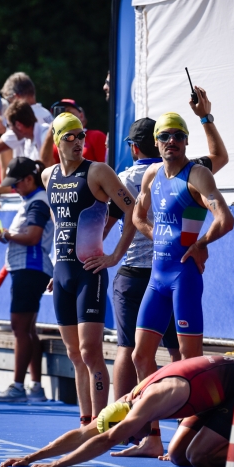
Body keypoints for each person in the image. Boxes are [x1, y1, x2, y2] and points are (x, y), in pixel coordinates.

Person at [105, 86, 229, 403]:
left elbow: (225, 219)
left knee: (189, 361)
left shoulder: (197, 174)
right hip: (156, 279)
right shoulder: (151, 174)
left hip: (183, 276)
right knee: (139, 356)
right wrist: (157, 236)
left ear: (186, 141)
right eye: (165, 136)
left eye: (178, 136)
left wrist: (201, 244)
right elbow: (137, 216)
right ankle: (153, 426)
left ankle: (193, 423)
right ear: (156, 142)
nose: (171, 141)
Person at [0, 356, 234, 467]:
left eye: (132, 434)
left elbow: (107, 440)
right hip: (217, 393)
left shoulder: (151, 402)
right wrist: (32, 456)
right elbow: (86, 433)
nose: (134, 439)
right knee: (178, 456)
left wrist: (57, 465)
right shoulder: (128, 402)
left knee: (198, 456)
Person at [42, 112, 137, 426]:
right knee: (73, 353)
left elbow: (133, 209)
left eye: (81, 135)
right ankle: (85, 421)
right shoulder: (48, 176)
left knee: (90, 351)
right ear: (57, 141)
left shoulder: (97, 171)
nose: (77, 142)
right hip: (62, 273)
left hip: (89, 273)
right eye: (69, 137)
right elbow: (60, 220)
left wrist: (114, 255)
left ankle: (101, 422)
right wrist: (58, 263)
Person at [0, 157, 54, 403]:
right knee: (27, 330)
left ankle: (18, 387)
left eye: (16, 183)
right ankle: (35, 387)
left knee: (19, 328)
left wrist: (8, 235)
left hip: (30, 268)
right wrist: (10, 235)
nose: (13, 188)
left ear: (29, 179)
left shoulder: (37, 202)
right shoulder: (33, 200)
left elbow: (33, 237)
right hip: (30, 268)